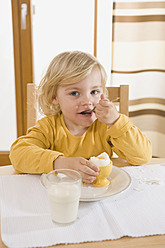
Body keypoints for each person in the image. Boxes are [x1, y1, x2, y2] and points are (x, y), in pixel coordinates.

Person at [10, 51, 152, 183]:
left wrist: (116, 121)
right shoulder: (49, 127)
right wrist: (60, 163)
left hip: (100, 194)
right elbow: (18, 155)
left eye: (94, 91)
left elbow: (142, 157)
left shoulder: (107, 126)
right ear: (54, 97)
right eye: (74, 93)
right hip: (62, 193)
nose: (87, 101)